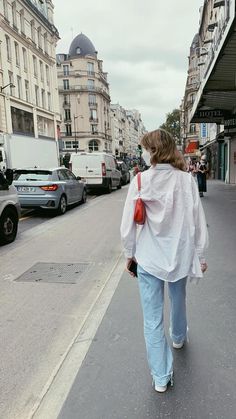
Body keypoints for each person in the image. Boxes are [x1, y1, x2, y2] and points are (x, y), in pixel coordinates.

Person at [120, 129, 208, 393]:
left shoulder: (139, 181)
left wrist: (129, 253)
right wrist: (200, 255)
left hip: (149, 258)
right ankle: (179, 337)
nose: (143, 153)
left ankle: (161, 376)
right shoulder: (186, 180)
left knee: (152, 319)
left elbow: (127, 225)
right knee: (179, 298)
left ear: (154, 151)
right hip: (179, 255)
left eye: (145, 149)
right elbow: (198, 221)